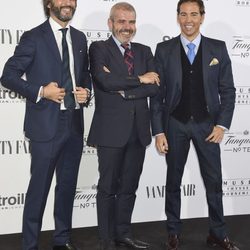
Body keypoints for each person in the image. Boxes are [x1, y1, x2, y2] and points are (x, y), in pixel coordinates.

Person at [1, 0, 91, 249]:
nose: (67, 3)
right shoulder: (33, 37)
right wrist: (41, 91)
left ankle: (62, 239)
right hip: (46, 125)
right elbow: (8, 76)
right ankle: (29, 244)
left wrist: (86, 91)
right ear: (49, 3)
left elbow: (85, 75)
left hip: (74, 123)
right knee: (38, 189)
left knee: (67, 187)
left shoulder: (81, 38)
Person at [150, 0, 239, 249]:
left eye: (193, 14)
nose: (188, 19)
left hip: (207, 126)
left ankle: (218, 233)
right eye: (183, 14)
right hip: (175, 125)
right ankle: (173, 232)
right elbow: (157, 95)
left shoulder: (217, 49)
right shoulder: (164, 49)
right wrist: (158, 131)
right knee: (173, 181)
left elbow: (228, 91)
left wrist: (221, 125)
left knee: (214, 181)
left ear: (202, 16)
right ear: (177, 17)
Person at [87, 2, 159, 250]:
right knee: (107, 187)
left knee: (129, 187)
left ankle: (123, 234)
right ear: (110, 23)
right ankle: (106, 239)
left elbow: (155, 86)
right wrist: (139, 79)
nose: (127, 27)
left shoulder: (144, 50)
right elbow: (104, 81)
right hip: (110, 131)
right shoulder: (98, 48)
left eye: (131, 22)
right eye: (121, 21)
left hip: (139, 130)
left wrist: (125, 91)